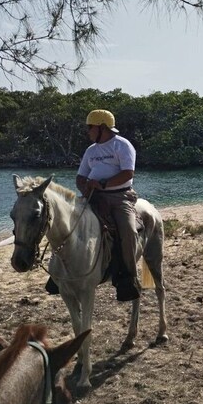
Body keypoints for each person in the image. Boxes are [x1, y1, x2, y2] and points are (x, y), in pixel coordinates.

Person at [76, 109, 140, 301]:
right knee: (67, 222)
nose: (88, 132)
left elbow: (128, 173)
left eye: (90, 127)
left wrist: (103, 183)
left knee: (128, 231)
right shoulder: (91, 151)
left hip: (119, 197)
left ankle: (128, 277)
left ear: (102, 127)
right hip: (94, 196)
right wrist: (85, 188)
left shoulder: (122, 145)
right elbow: (81, 176)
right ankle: (61, 271)